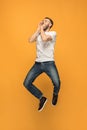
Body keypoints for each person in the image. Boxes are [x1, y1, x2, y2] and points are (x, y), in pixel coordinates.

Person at [23, 17, 61, 111]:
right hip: (38, 64)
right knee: (26, 83)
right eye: (43, 21)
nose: (44, 22)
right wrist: (38, 28)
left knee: (57, 83)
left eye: (46, 21)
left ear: (50, 24)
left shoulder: (53, 33)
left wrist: (41, 29)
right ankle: (41, 98)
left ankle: (55, 94)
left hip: (49, 63)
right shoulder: (39, 33)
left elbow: (44, 39)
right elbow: (30, 40)